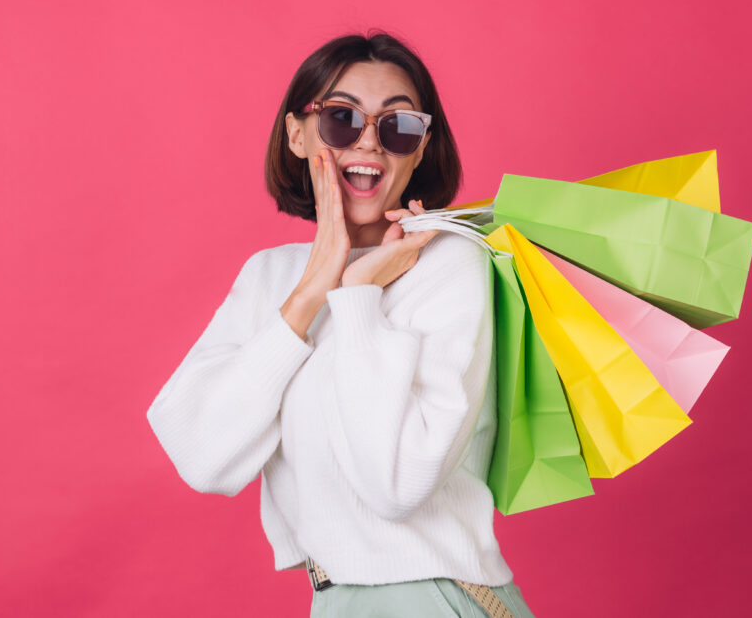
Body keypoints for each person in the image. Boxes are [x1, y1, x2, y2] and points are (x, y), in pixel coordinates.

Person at [146, 32, 535, 617]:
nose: (370, 143)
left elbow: (396, 485)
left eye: (399, 126)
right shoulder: (270, 277)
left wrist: (357, 298)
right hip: (334, 601)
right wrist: (310, 291)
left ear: (422, 147)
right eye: (341, 119)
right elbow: (204, 457)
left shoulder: (451, 265)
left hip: (433, 598)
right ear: (298, 135)